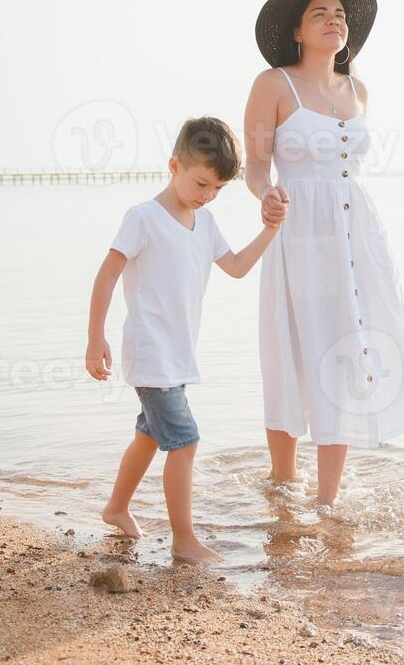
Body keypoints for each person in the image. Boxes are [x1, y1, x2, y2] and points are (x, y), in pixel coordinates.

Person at [243, 0, 404, 509]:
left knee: (346, 351)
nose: (335, 20)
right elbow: (256, 165)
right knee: (291, 349)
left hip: (356, 235)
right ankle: (282, 485)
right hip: (297, 229)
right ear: (299, 32)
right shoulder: (273, 84)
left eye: (342, 15)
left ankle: (327, 503)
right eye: (321, 13)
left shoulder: (358, 90)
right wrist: (265, 195)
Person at [85, 116, 286, 563]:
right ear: (174, 165)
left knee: (150, 435)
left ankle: (116, 508)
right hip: (150, 352)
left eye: (216, 189)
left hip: (177, 355)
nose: (207, 195)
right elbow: (107, 274)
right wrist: (95, 336)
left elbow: (234, 267)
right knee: (185, 440)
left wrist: (270, 231)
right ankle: (184, 540)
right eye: (200, 183)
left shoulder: (205, 222)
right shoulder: (143, 218)